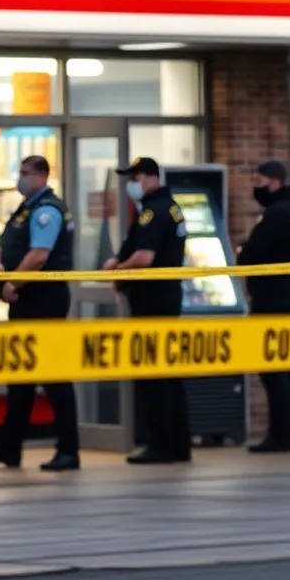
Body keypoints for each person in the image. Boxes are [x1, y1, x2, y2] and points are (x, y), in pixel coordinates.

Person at [0, 156, 81, 472]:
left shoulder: (48, 209)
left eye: (25, 174)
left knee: (54, 377)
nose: (19, 178)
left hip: (43, 302)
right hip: (25, 302)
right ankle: (9, 447)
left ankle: (68, 450)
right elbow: (1, 244)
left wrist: (11, 283)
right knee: (20, 376)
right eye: (19, 172)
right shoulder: (26, 207)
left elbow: (39, 255)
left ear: (43, 175)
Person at [103, 157, 191, 465]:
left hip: (153, 300)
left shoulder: (154, 211)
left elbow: (144, 257)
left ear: (151, 178)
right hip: (166, 298)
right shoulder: (169, 207)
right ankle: (179, 445)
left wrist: (119, 271)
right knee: (169, 373)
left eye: (135, 177)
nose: (131, 184)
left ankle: (161, 445)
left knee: (153, 373)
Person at [237, 160, 290, 453]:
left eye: (259, 180)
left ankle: (280, 436)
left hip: (271, 297)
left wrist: (242, 250)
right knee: (288, 367)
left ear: (274, 181)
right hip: (287, 293)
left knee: (273, 369)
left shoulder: (277, 214)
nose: (256, 186)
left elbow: (252, 254)